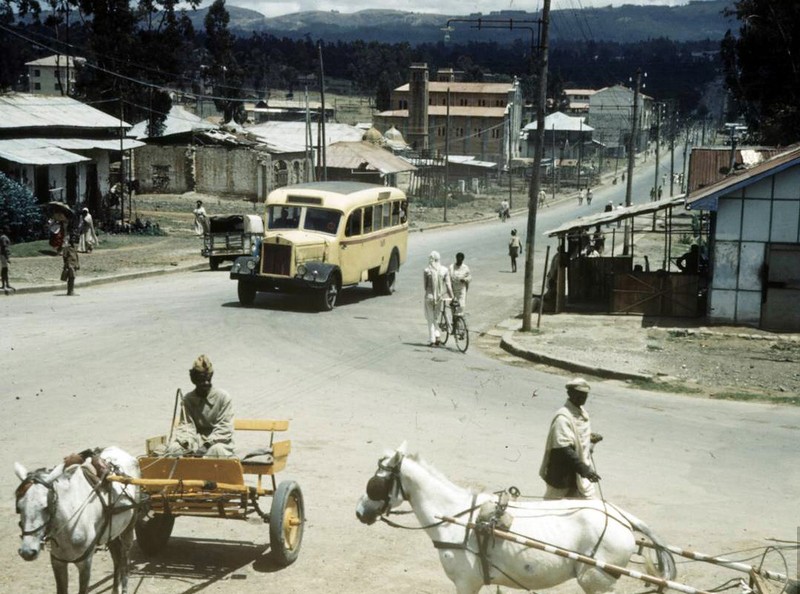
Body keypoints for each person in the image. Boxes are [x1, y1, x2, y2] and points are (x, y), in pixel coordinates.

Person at [539, 378, 602, 500]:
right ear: (570, 393)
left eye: (584, 395)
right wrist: (585, 470)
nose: (582, 398)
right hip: (563, 475)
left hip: (580, 475)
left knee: (586, 508)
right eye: (579, 394)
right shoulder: (563, 418)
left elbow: (576, 437)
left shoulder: (582, 413)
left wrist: (589, 437)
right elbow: (564, 449)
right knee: (553, 509)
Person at [163, 355, 236, 458]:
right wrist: (186, 444)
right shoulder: (188, 399)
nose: (206, 383)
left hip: (220, 443)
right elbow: (186, 426)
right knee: (174, 449)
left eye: (208, 379)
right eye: (201, 380)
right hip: (195, 442)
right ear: (194, 380)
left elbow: (225, 428)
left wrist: (207, 445)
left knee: (215, 451)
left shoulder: (223, 398)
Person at [423, 251, 452, 347]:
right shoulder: (444, 270)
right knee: (435, 318)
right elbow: (448, 285)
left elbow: (425, 286)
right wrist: (452, 297)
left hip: (429, 297)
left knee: (430, 319)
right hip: (439, 298)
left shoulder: (427, 270)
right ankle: (438, 337)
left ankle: (433, 340)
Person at [1, 226, 14, 294]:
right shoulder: (4, 237)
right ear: (5, 230)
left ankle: (6, 284)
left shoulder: (4, 237)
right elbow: (4, 247)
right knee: (4, 269)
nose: (9, 230)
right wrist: (7, 258)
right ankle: (4, 285)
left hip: (4, 255)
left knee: (5, 269)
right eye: (7, 229)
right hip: (4, 255)